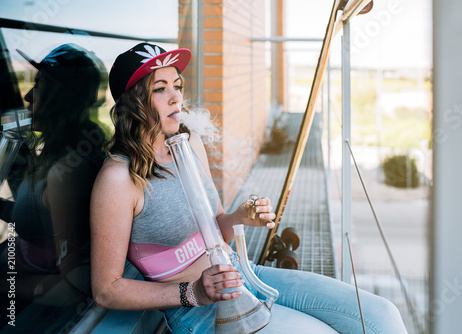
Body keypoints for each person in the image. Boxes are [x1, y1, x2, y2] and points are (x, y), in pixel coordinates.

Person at [90, 42, 408, 334]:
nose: (176, 97)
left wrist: (240, 216)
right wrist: (194, 293)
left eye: (177, 85)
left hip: (244, 274)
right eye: (160, 89)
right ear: (133, 104)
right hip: (201, 311)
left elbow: (215, 229)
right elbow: (106, 289)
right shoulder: (118, 179)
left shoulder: (188, 144)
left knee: (382, 317)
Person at [0, 43, 106, 329]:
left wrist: (7, 286)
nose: (27, 96)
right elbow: (40, 219)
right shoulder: (56, 154)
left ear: (59, 100)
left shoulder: (65, 173)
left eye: (38, 86)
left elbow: (71, 286)